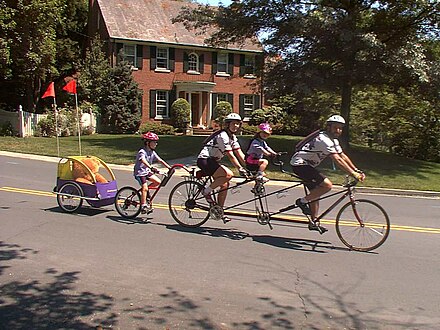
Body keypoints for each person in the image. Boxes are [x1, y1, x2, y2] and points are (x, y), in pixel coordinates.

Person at [290, 115, 365, 233]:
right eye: (335, 127)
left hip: (308, 166)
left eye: (340, 128)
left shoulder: (333, 140)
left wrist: (356, 170)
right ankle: (302, 202)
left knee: (315, 193)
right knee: (327, 185)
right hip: (300, 165)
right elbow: (337, 160)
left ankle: (313, 222)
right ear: (328, 127)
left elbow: (342, 156)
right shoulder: (323, 139)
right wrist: (353, 174)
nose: (338, 130)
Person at [197, 113, 248, 223]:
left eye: (238, 124)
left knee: (225, 184)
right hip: (204, 160)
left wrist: (249, 166)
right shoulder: (223, 136)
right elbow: (230, 155)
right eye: (234, 124)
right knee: (228, 175)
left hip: (213, 161)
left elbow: (239, 153)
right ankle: (206, 192)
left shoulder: (232, 137)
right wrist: (239, 168)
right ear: (227, 124)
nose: (236, 126)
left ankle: (218, 210)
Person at [134, 132, 171, 214]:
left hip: (146, 172)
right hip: (140, 173)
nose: (156, 144)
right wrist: (151, 167)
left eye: (156, 142)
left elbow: (160, 160)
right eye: (154, 142)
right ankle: (143, 205)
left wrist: (169, 167)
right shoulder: (142, 151)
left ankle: (144, 192)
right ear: (148, 143)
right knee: (145, 187)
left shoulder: (152, 152)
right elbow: (143, 160)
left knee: (158, 182)